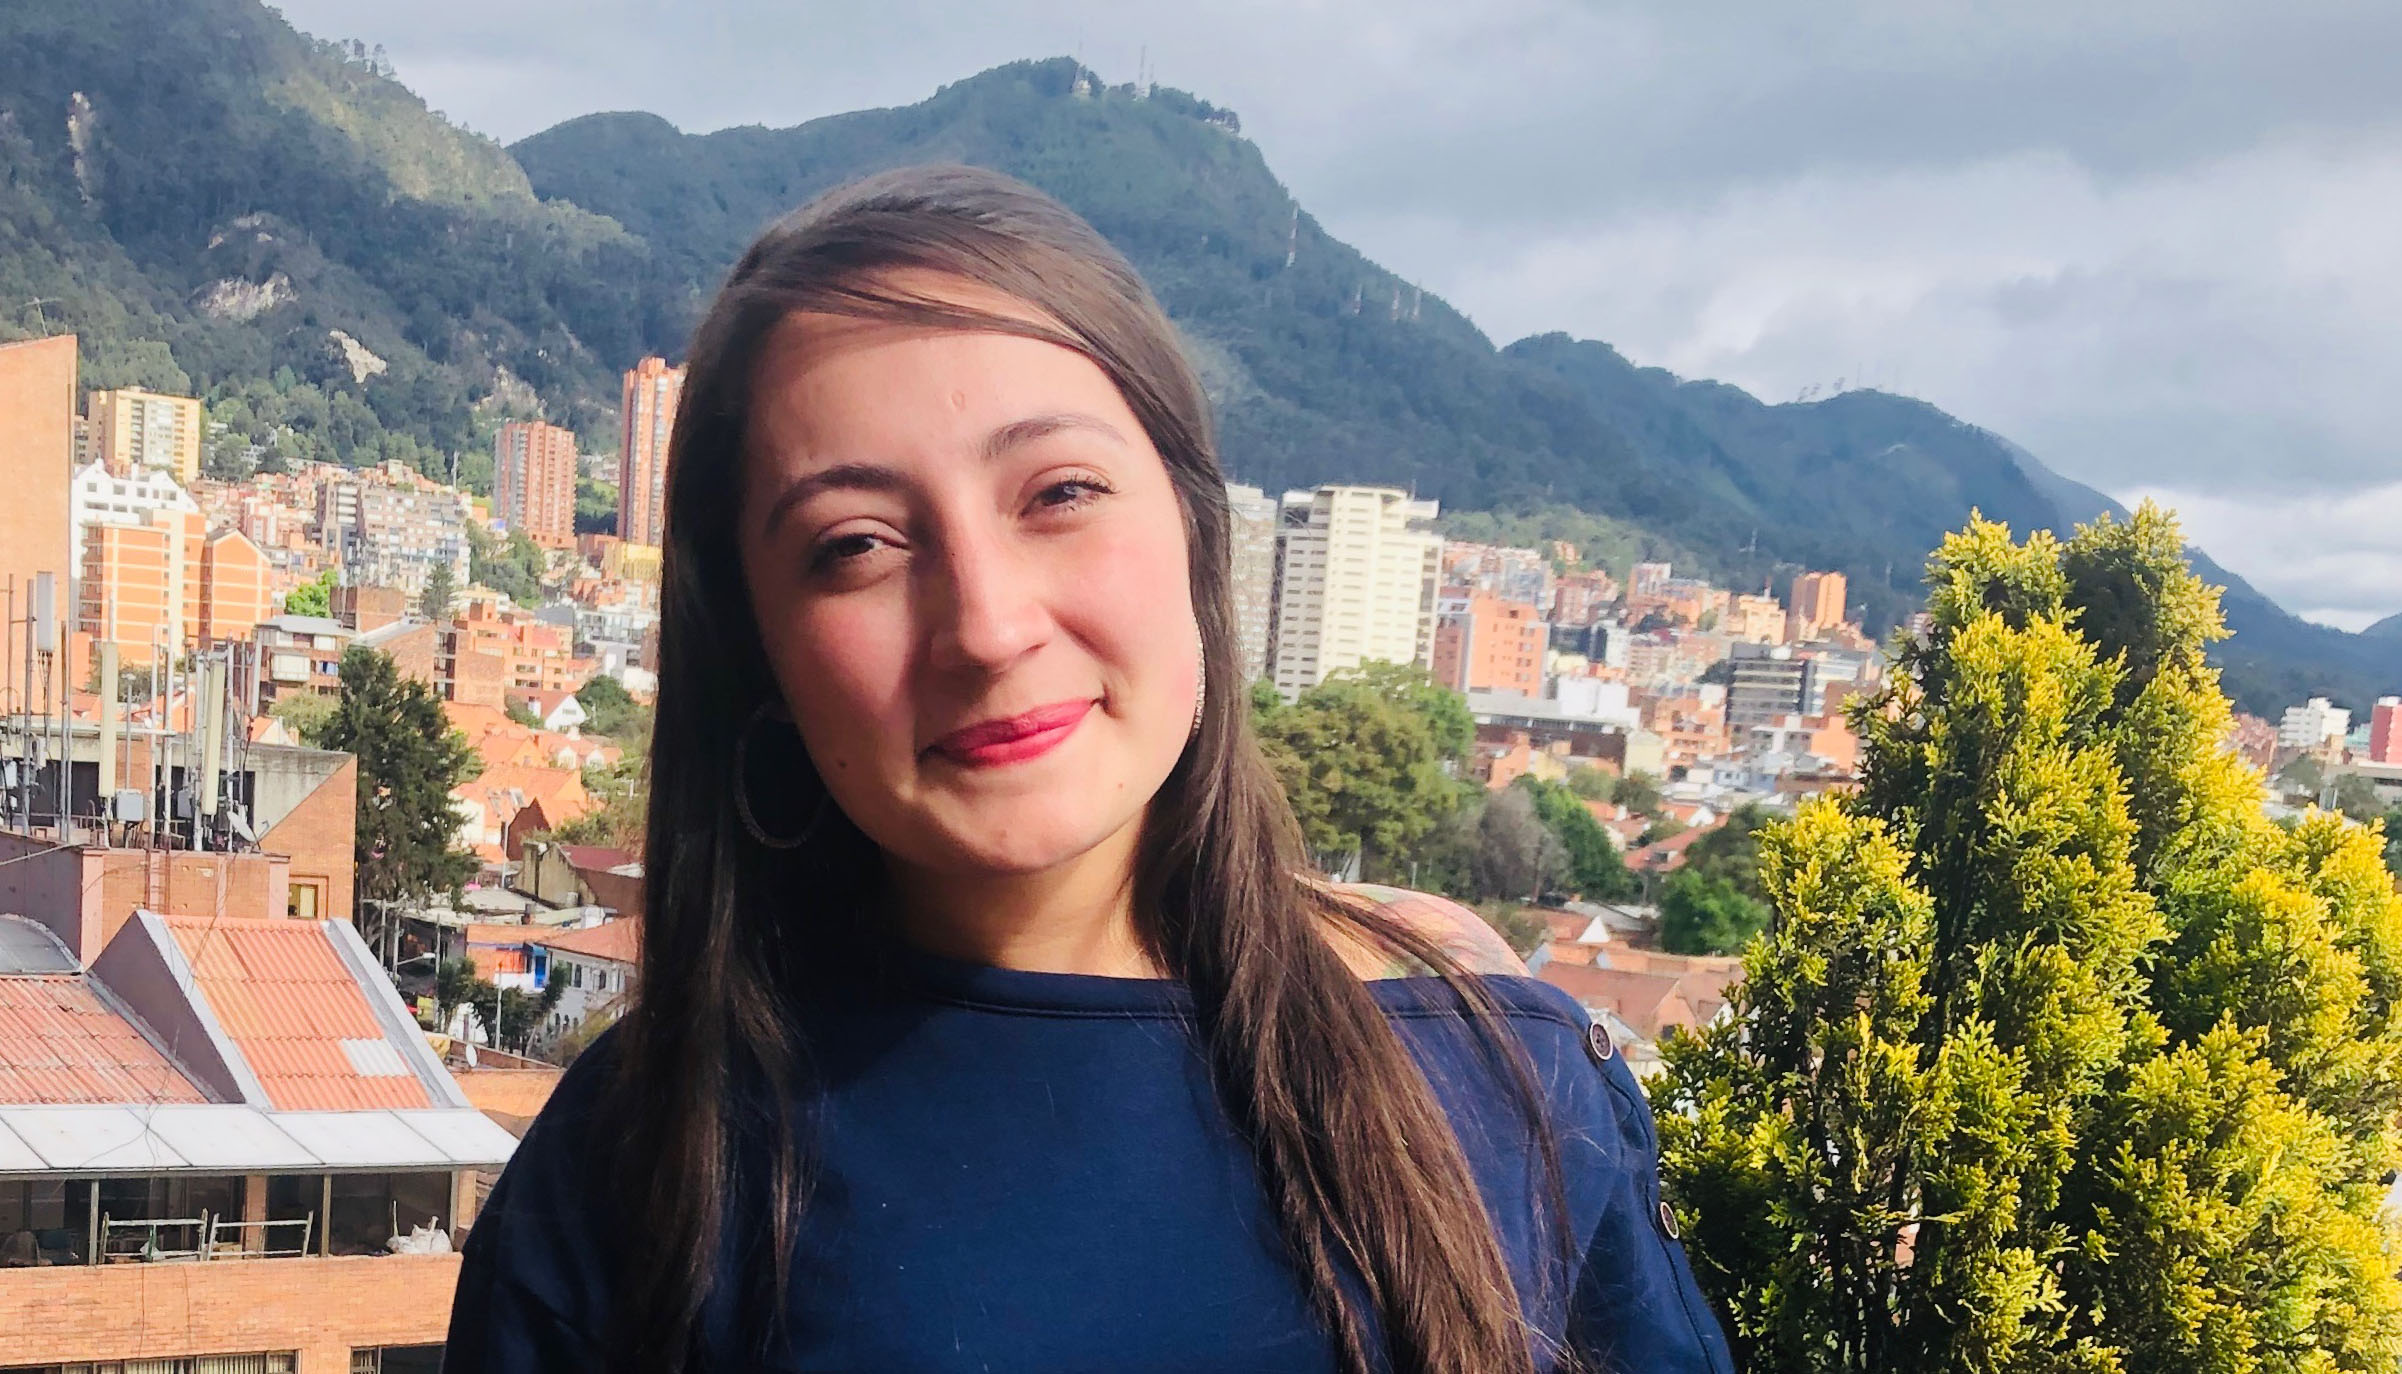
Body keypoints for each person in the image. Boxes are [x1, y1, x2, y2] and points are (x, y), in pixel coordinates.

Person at [442, 164, 1733, 1374]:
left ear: (1193, 530)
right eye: (856, 545)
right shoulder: (640, 1178)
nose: (987, 625)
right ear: (758, 652)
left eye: (1058, 492)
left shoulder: (1500, 1084)